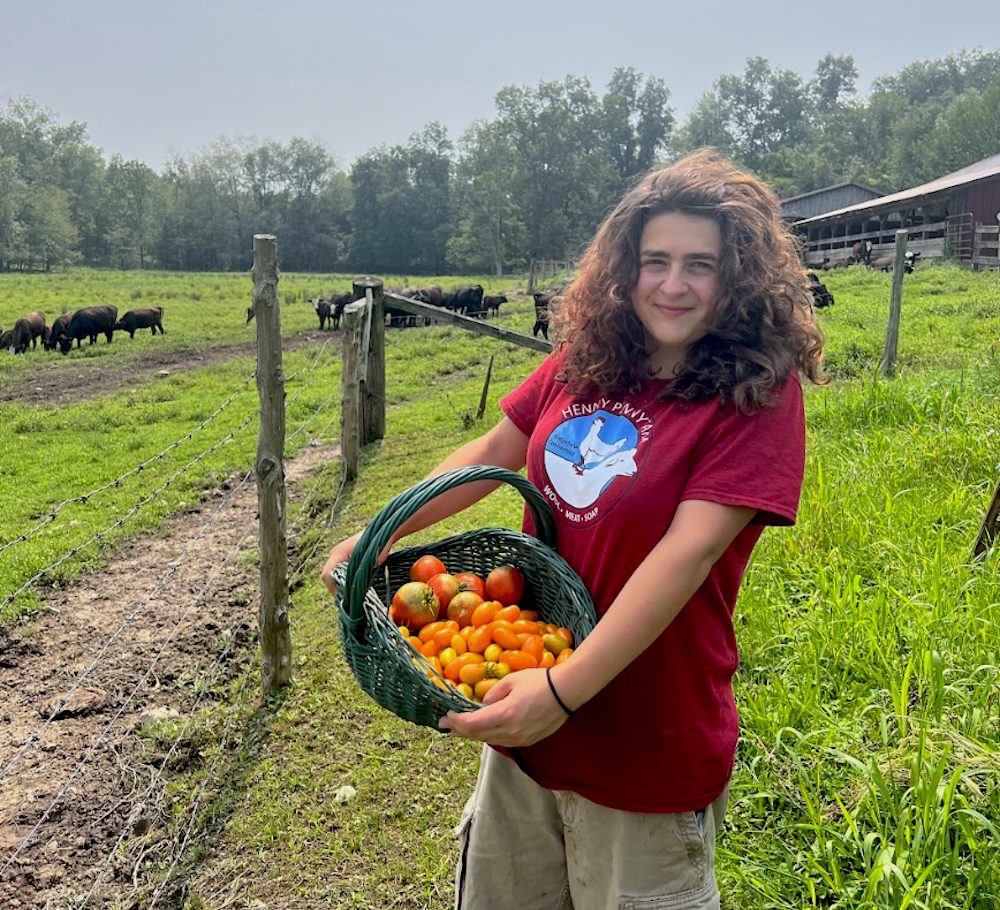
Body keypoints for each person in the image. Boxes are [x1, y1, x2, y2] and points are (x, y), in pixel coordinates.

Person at [321, 148, 825, 910]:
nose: (673, 284)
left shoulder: (756, 395)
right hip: (524, 725)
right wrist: (380, 535)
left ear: (740, 277)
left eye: (701, 264)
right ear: (625, 267)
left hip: (643, 738)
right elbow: (494, 452)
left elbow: (687, 554)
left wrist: (564, 690)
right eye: (655, 260)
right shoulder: (584, 359)